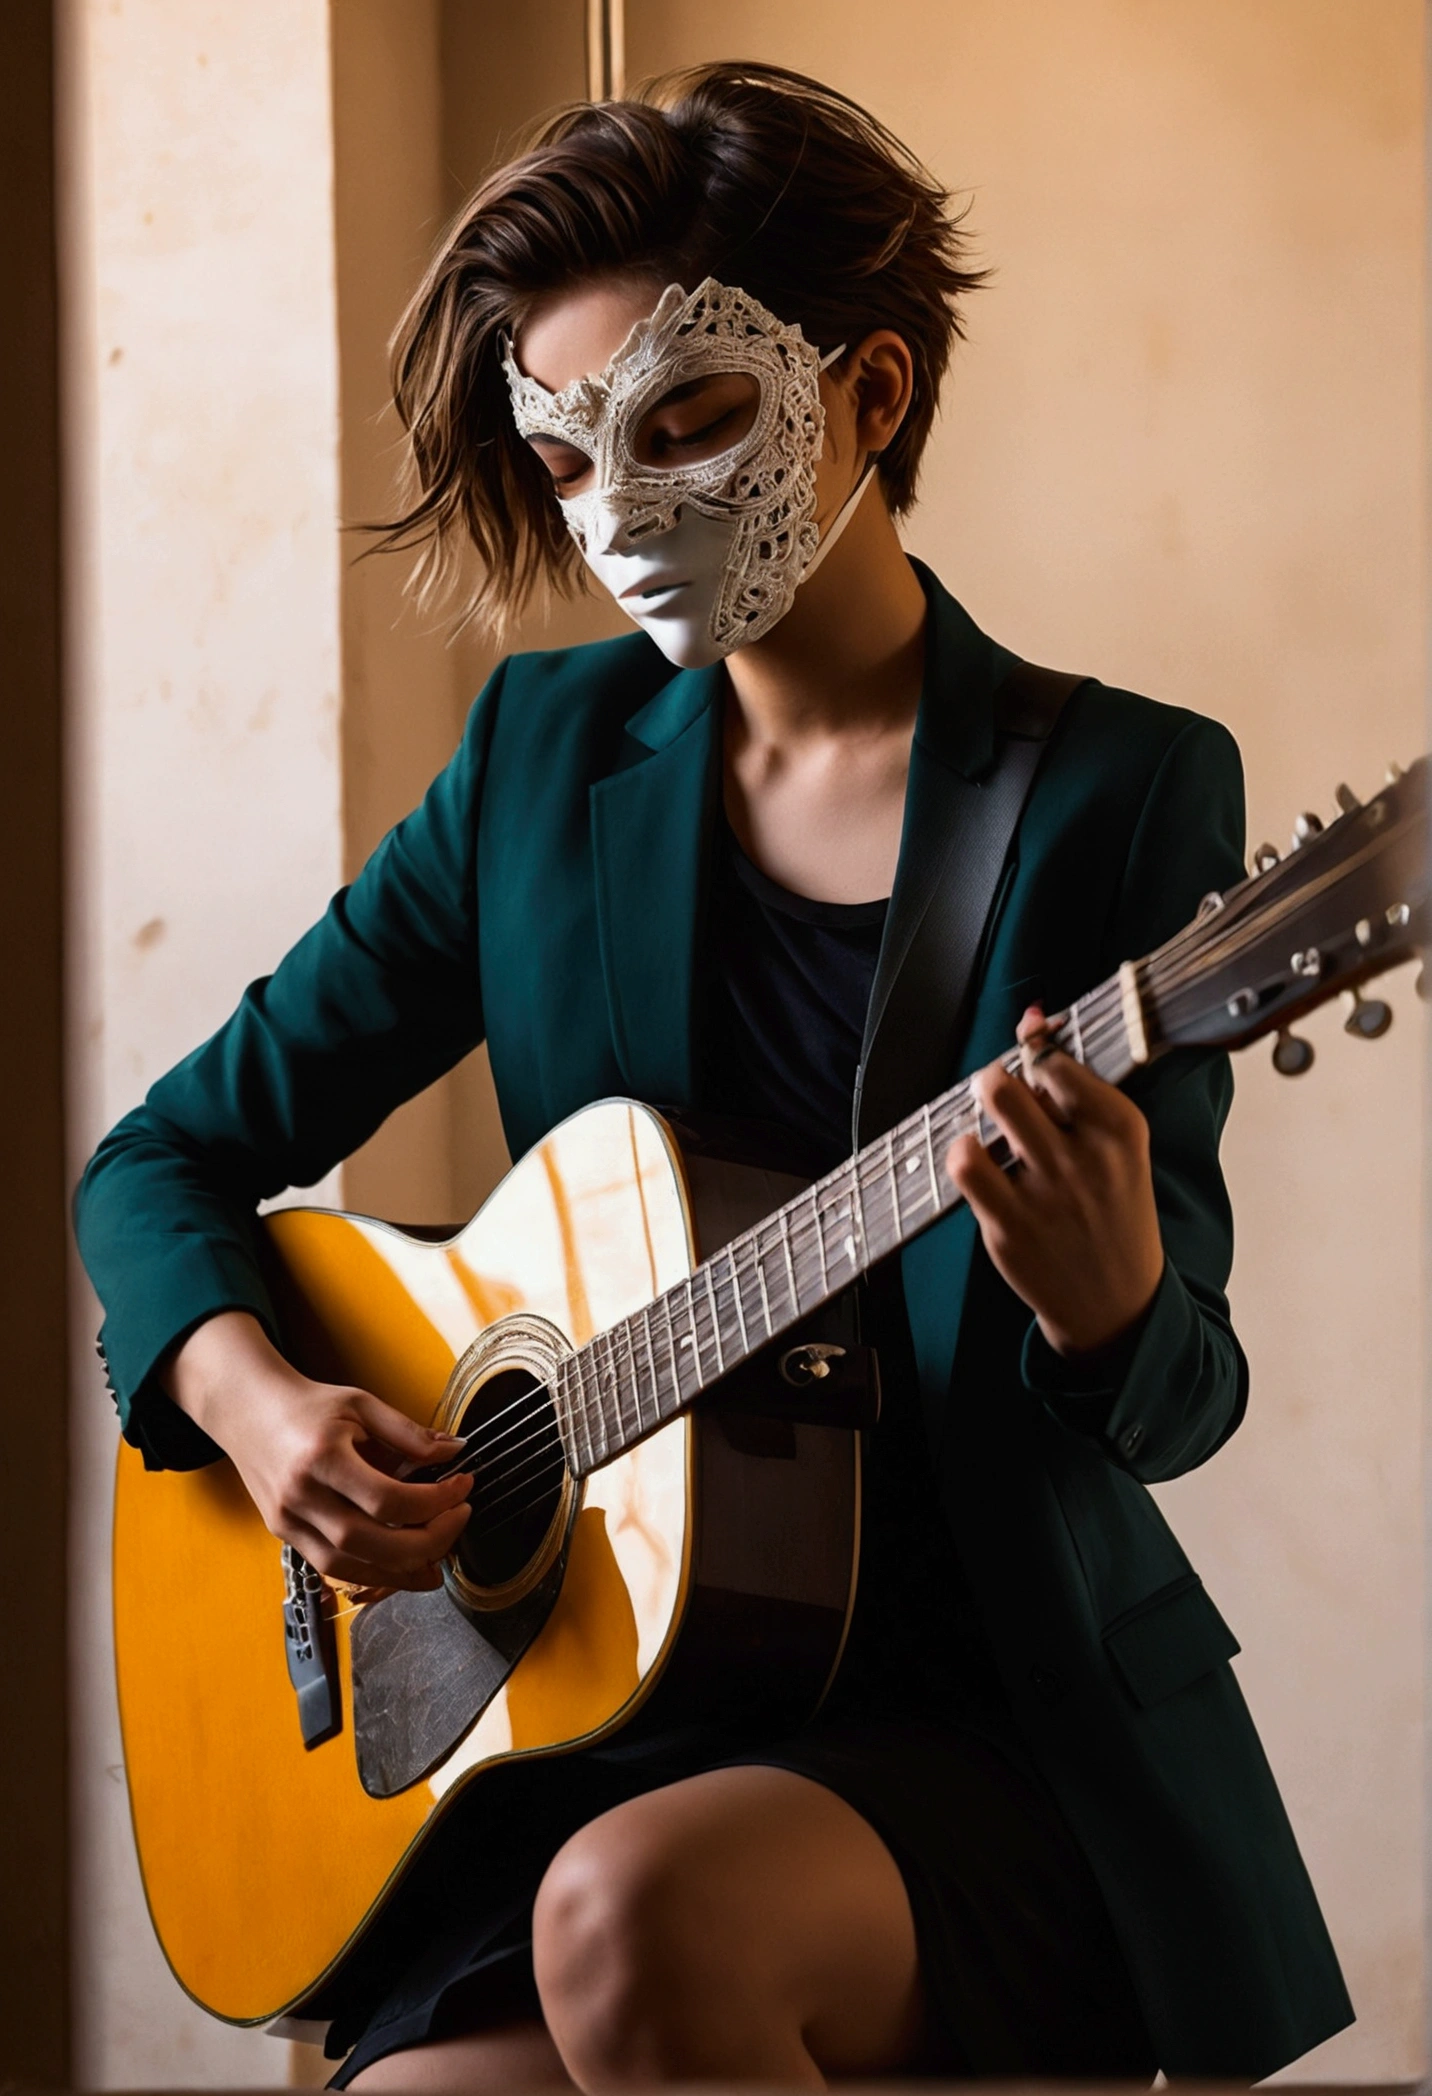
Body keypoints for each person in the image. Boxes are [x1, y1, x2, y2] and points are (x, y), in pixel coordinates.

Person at [76, 61, 1352, 2092]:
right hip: (592, 1701)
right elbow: (157, 1164)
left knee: (637, 1916)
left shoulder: (1116, 793)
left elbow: (1177, 1392)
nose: (622, 513)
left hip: (974, 1730)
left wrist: (1101, 1291)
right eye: (567, 456)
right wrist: (258, 1410)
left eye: (685, 421)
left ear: (867, 389)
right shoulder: (533, 767)